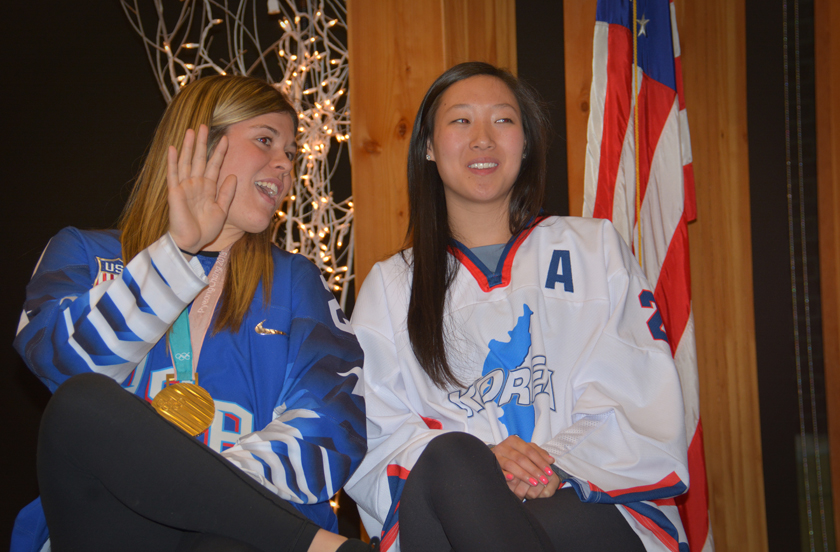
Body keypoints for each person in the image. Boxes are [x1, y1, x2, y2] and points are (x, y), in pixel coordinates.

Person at [12, 75, 376, 552]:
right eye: (265, 140)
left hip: (242, 536)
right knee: (80, 402)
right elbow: (60, 367)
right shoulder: (82, 252)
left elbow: (335, 425)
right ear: (200, 143)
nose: (284, 164)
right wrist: (178, 253)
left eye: (290, 152)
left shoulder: (295, 281)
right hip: (110, 523)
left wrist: (206, 492)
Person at [344, 62, 690, 552]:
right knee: (453, 460)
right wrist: (483, 468)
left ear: (525, 145)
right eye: (461, 121)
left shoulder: (594, 250)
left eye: (503, 121)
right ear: (427, 146)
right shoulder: (391, 286)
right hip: (451, 509)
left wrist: (552, 462)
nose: (483, 138)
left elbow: (636, 392)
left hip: (587, 500)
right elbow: (375, 430)